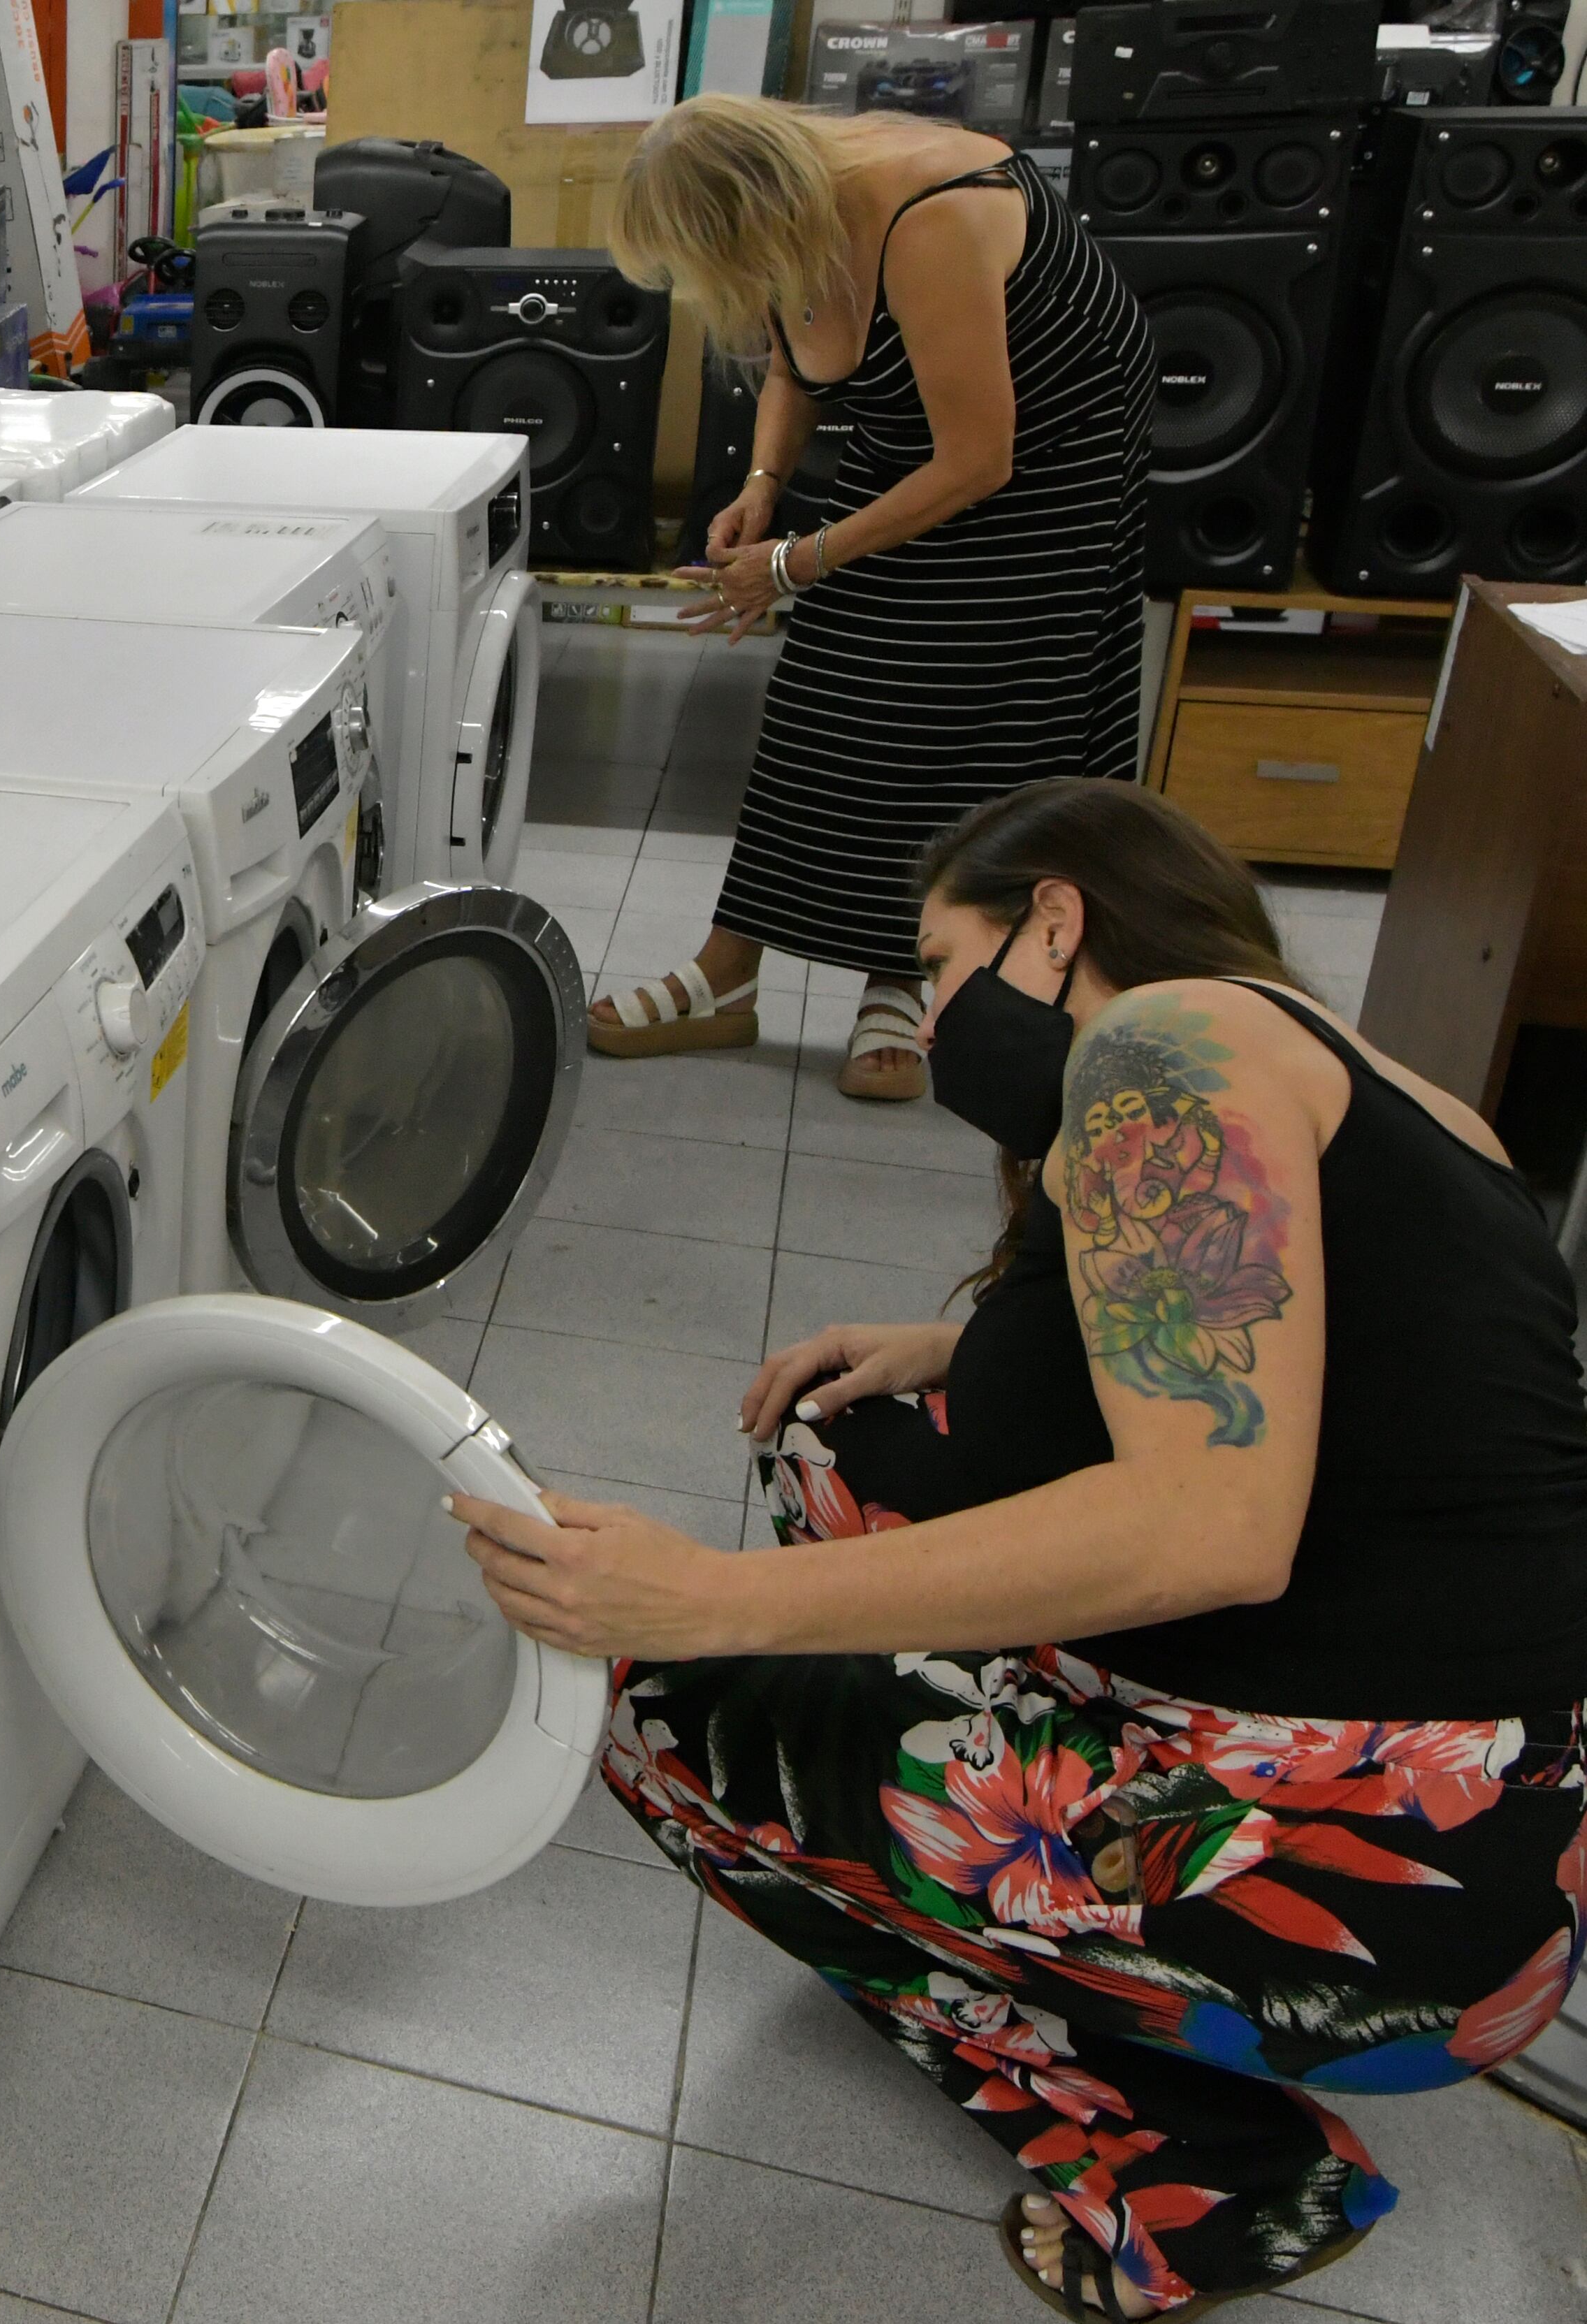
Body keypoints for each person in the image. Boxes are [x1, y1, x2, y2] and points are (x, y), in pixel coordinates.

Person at [453, 780, 1587, 2318]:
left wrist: (711, 1596)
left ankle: (1211, 2170)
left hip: (1378, 1875)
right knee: (834, 1446)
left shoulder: (1159, 1047)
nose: (929, 1021)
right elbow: (1335, 1376)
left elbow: (1207, 1522)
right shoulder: (1363, 1075)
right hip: (1509, 1821)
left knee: (658, 1704)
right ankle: (1035, 1848)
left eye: (937, 967)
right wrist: (956, 1348)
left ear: (1054, 920)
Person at [593, 96, 1152, 1102]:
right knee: (826, 684)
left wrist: (793, 565)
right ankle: (730, 972)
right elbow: (794, 361)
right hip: (927, 436)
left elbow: (980, 458)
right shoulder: (795, 214)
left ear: (748, 212)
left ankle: (903, 976)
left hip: (1050, 459)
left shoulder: (929, 217)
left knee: (960, 716)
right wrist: (766, 488)